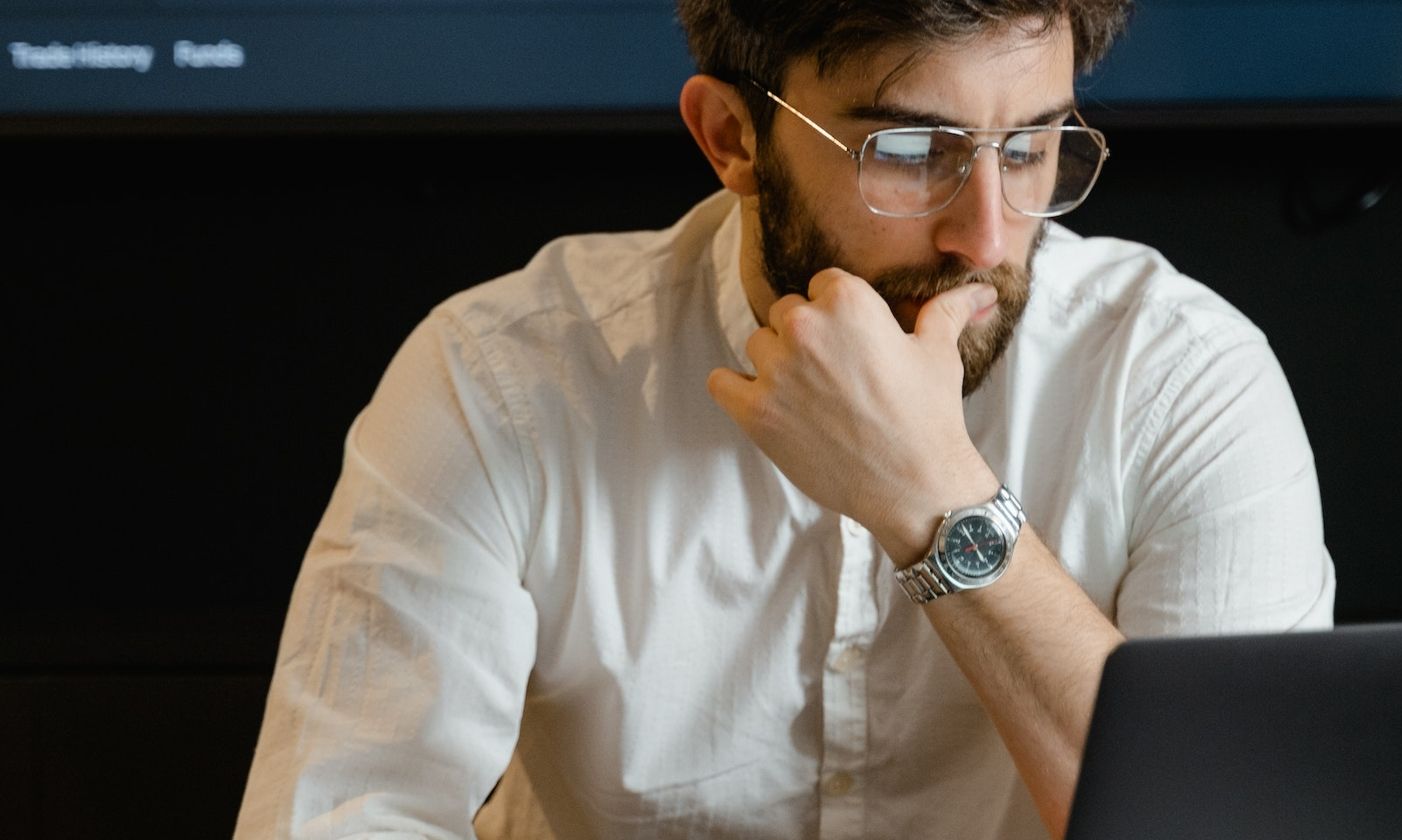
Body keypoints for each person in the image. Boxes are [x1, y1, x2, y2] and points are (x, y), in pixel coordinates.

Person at [234, 1, 1336, 837]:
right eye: (911, 152)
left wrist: (934, 504)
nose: (987, 238)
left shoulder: (1185, 383)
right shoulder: (505, 379)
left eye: (1031, 148)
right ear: (732, 139)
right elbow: (345, 813)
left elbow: (1236, 822)